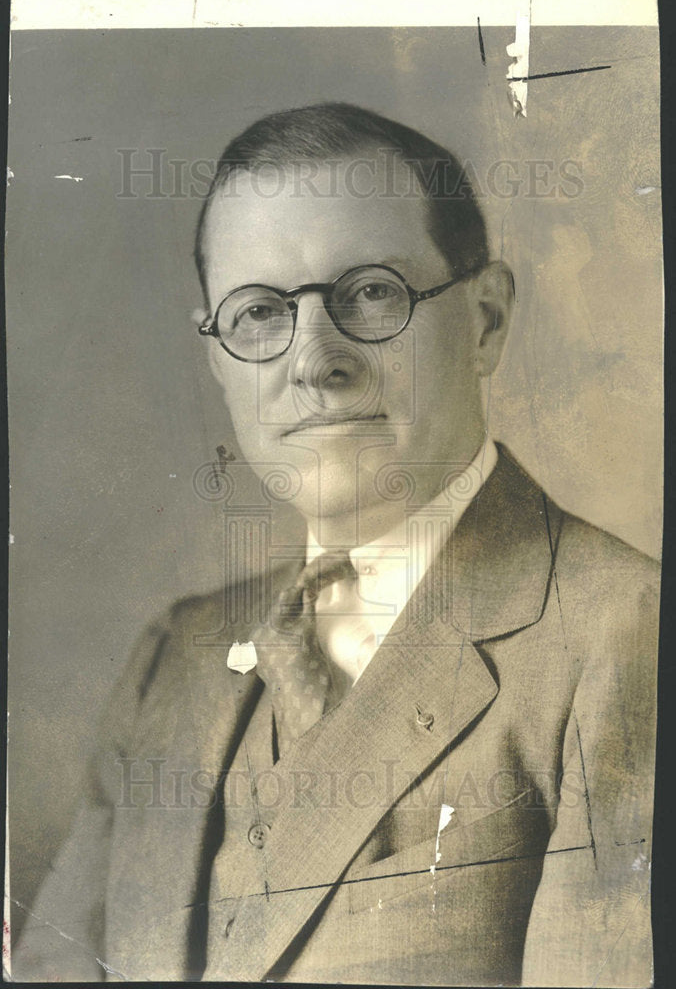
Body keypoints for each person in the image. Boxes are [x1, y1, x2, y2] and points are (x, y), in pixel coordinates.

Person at [13, 103, 659, 986]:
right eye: (258, 312)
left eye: (372, 293)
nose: (315, 360)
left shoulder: (626, 638)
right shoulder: (174, 657)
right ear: (218, 360)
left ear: (485, 321)